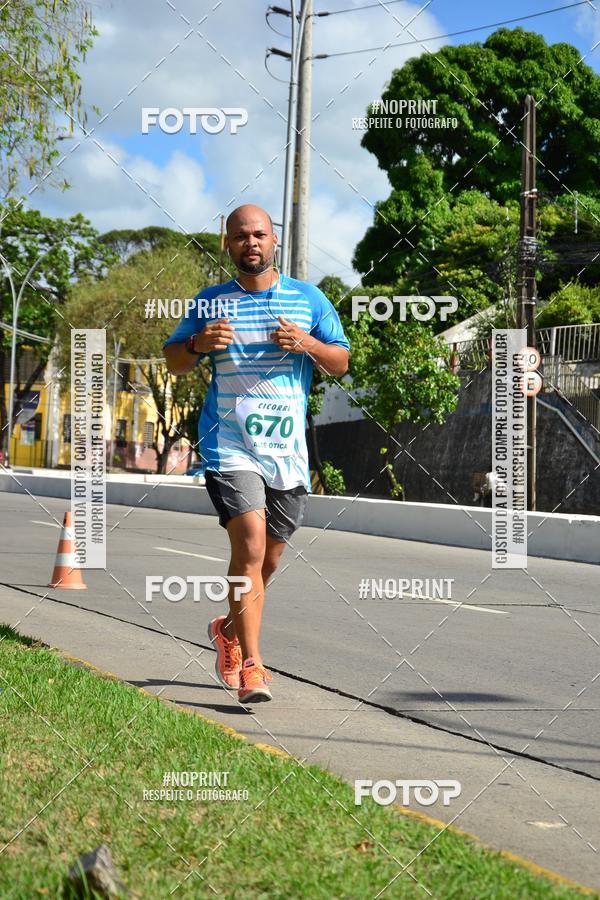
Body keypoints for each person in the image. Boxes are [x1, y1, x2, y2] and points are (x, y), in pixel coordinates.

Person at [163, 204, 350, 703]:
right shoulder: (209, 302)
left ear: (274, 242)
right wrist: (200, 343)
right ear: (227, 244)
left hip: (286, 450)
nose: (251, 242)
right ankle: (252, 665)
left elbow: (341, 363)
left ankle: (228, 629)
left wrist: (308, 343)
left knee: (267, 560)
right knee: (247, 547)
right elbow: (174, 360)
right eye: (241, 235)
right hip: (230, 444)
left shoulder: (309, 300)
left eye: (260, 235)